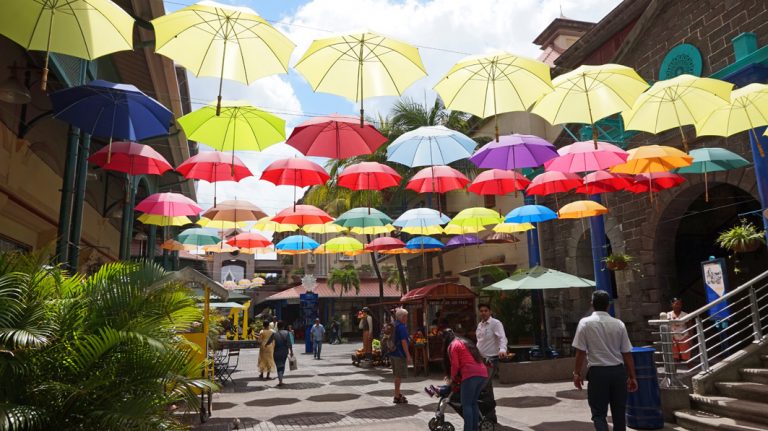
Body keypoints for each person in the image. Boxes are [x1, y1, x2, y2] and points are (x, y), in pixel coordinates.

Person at [572, 290, 638, 431]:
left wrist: (577, 373)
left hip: (598, 373)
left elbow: (580, 352)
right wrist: (632, 376)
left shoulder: (585, 323)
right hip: (618, 373)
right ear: (608, 305)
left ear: (592, 304)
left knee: (598, 414)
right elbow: (627, 353)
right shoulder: (619, 324)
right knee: (619, 414)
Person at [443, 329, 489, 431]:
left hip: (470, 375)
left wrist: (453, 378)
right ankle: (474, 429)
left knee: (466, 404)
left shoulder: (453, 345)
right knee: (473, 403)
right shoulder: (466, 342)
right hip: (483, 374)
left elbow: (455, 365)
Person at [476, 303, 507, 423]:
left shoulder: (495, 323)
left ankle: (489, 416)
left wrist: (502, 349)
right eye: (481, 311)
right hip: (481, 360)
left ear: (490, 312)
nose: (483, 313)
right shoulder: (480, 325)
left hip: (491, 359)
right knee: (486, 387)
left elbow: (502, 338)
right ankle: (489, 416)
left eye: (485, 310)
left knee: (484, 386)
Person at [390, 308, 412, 404]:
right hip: (399, 353)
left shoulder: (394, 324)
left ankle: (397, 394)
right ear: (402, 317)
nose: (407, 318)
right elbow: (403, 342)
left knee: (397, 375)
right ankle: (397, 395)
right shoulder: (402, 326)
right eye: (406, 316)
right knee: (398, 375)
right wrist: (408, 355)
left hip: (393, 353)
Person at [272, 321, 293, 387]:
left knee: (278, 366)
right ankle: (281, 379)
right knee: (282, 365)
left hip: (276, 352)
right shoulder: (287, 333)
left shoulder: (274, 334)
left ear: (277, 326)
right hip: (284, 352)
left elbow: (268, 342)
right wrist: (291, 351)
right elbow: (289, 343)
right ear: (283, 326)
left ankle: (280, 379)